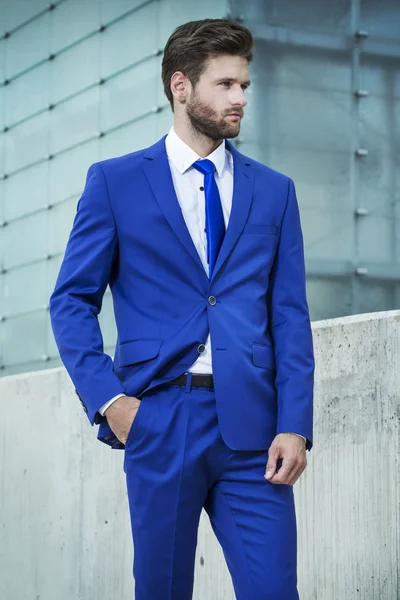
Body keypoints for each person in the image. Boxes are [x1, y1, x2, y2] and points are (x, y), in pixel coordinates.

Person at [49, 17, 314, 600]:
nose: (240, 97)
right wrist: (111, 402)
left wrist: (295, 423)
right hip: (160, 419)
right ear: (180, 87)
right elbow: (70, 301)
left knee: (274, 590)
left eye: (245, 85)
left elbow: (289, 315)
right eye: (225, 84)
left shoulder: (275, 191)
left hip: (255, 431)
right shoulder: (114, 183)